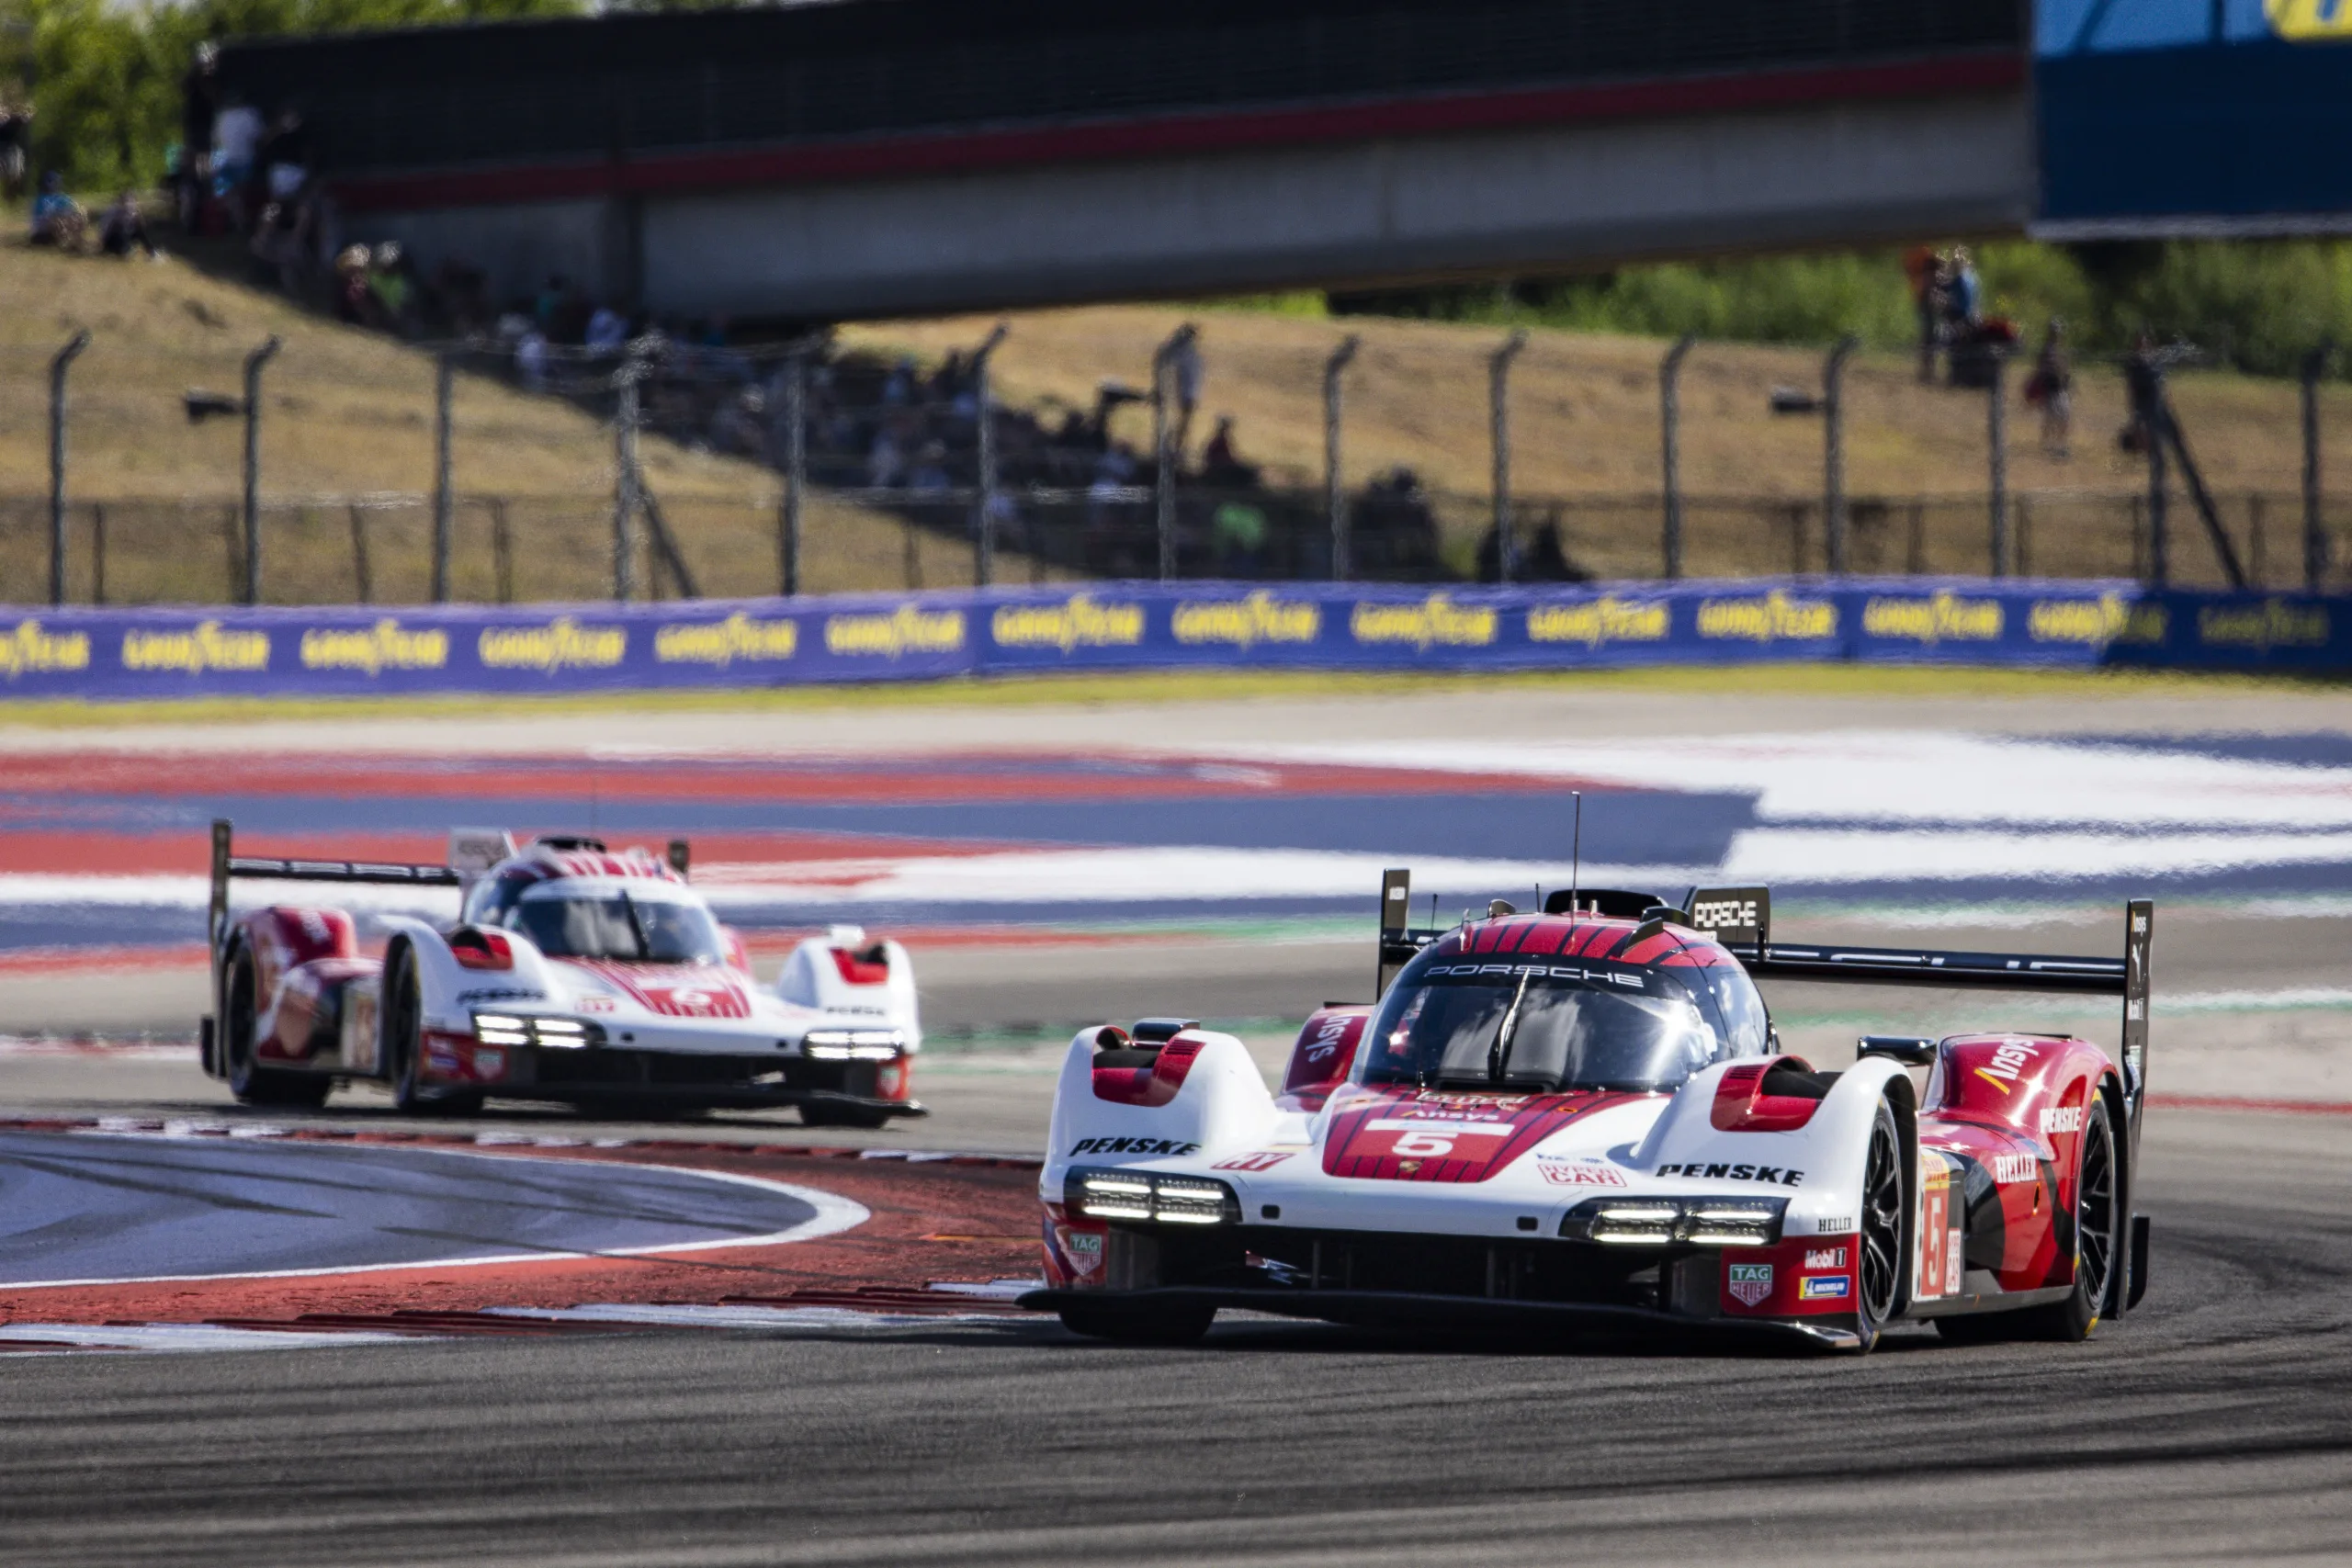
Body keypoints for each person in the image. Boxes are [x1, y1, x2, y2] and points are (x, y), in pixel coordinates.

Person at [2025, 317, 2074, 460]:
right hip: (2050, 388)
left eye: (2057, 331)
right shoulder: (2046, 350)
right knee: (2050, 419)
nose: (2055, 334)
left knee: (2064, 418)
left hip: (2061, 388)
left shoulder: (2062, 350)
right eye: (2053, 331)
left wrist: (2069, 384)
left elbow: (2066, 369)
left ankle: (2061, 444)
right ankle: (2048, 444)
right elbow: (2039, 369)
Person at [1903, 244, 1939, 383]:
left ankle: (1928, 368)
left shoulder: (1915, 250)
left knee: (1930, 332)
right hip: (1925, 294)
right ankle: (1927, 368)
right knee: (1929, 332)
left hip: (1926, 293)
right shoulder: (1920, 251)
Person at [28, 172, 85, 248]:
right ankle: (66, 241)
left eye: (56, 181)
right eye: (51, 181)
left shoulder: (63, 198)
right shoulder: (40, 200)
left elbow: (73, 209)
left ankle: (76, 243)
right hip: (43, 232)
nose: (54, 184)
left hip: (62, 225)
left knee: (80, 216)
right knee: (57, 220)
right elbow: (41, 218)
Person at [99, 190, 157, 258]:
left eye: (132, 202)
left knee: (139, 227)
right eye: (127, 201)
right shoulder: (113, 212)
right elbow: (105, 230)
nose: (130, 204)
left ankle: (151, 251)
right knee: (120, 225)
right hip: (111, 240)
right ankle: (123, 251)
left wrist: (137, 221)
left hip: (125, 239)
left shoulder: (133, 213)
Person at [0, 98, 31, 204]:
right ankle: (8, 197)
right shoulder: (8, 121)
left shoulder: (15, 119)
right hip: (3, 149)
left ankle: (10, 197)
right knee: (9, 175)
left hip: (12, 149)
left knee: (15, 176)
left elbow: (26, 118)